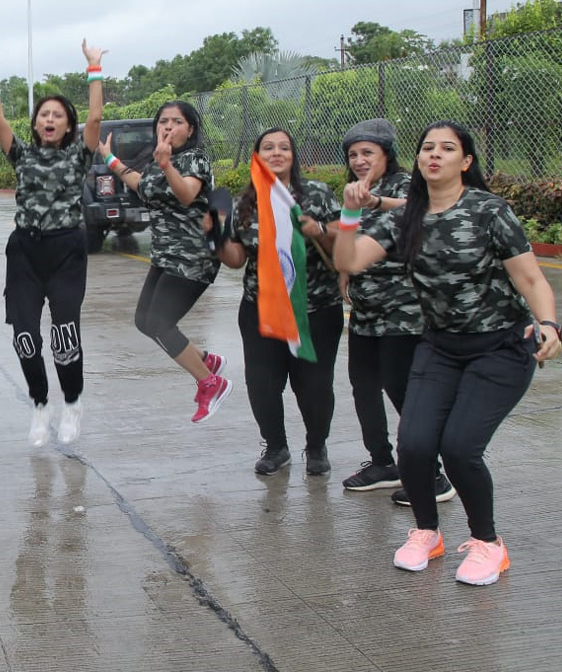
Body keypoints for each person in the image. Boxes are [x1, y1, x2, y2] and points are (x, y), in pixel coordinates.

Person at [334, 120, 560, 586]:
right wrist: (350, 214)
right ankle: (427, 533)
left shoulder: (489, 211)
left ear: (466, 161)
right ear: (417, 160)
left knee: (459, 448)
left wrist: (549, 323)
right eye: (427, 148)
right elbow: (349, 261)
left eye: (447, 148)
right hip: (439, 346)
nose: (434, 155)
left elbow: (531, 279)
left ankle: (488, 544)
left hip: (499, 347)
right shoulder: (406, 217)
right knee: (414, 445)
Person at [0, 39, 103, 446]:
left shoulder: (79, 156)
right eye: (44, 115)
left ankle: (72, 403)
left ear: (69, 125)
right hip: (25, 253)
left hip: (66, 251)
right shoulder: (22, 155)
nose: (50, 119)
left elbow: (97, 115)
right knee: (26, 336)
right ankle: (39, 404)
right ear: (35, 123)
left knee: (65, 335)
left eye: (58, 115)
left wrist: (93, 68)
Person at [337, 119, 455, 504]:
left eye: (367, 152)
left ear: (387, 153)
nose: (359, 160)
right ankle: (383, 462)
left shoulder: (407, 186)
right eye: (353, 154)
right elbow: (349, 235)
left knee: (403, 391)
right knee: (363, 386)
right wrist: (343, 274)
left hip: (403, 310)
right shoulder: (355, 189)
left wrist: (372, 201)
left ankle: (433, 474)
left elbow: (418, 209)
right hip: (366, 310)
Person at [219, 127, 343, 476]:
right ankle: (275, 447)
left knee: (315, 384)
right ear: (257, 157)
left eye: (284, 148)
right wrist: (215, 238)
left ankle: (316, 447)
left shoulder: (316, 194)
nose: (276, 153)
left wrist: (319, 230)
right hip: (261, 309)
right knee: (262, 383)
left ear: (294, 156)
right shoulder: (246, 201)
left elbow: (344, 247)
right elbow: (237, 258)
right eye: (268, 148)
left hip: (315, 309)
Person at [99, 100, 232, 426]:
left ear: (190, 129)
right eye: (163, 121)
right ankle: (205, 360)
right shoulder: (159, 164)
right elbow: (140, 184)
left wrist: (168, 164)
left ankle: (210, 383)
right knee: (144, 321)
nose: (168, 126)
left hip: (192, 259)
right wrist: (110, 158)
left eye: (176, 121)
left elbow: (187, 193)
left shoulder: (194, 159)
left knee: (159, 322)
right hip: (164, 257)